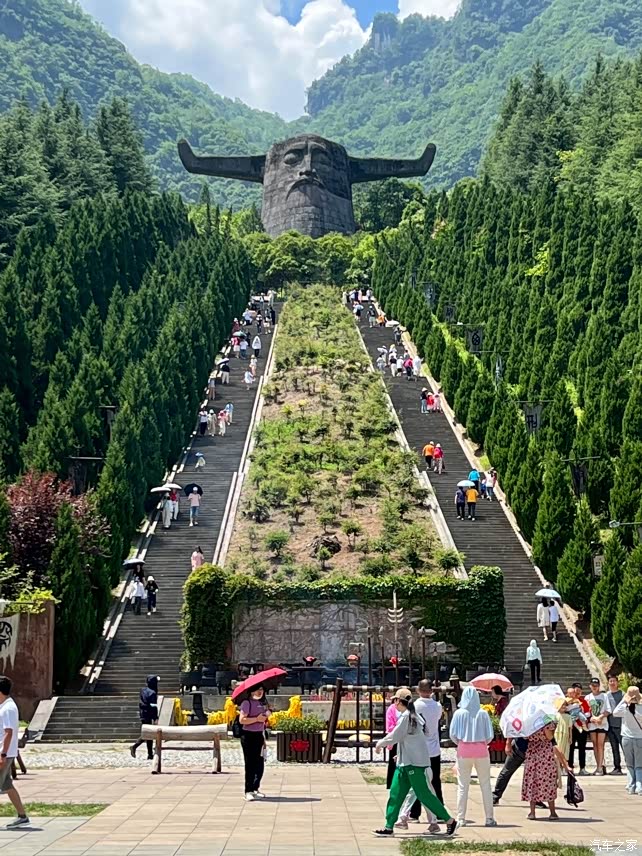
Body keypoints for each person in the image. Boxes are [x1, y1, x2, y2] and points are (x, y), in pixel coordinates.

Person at [373, 688, 457, 837]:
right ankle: (388, 826)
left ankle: (449, 820)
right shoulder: (411, 716)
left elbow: (395, 736)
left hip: (415, 765)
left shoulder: (408, 717)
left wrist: (380, 744)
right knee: (395, 794)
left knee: (424, 795)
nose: (394, 704)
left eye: (395, 701)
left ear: (399, 701)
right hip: (405, 763)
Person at [396, 680, 444, 832]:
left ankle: (412, 813)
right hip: (434, 748)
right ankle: (437, 811)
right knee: (433, 781)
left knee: (417, 784)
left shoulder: (415, 706)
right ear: (432, 690)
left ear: (418, 689)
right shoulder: (437, 706)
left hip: (419, 750)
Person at [449, 686, 496, 827]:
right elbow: (490, 736)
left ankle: (461, 818)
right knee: (486, 785)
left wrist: (461, 743)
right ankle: (489, 818)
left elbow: (453, 734)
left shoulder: (459, 713)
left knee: (463, 786)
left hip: (464, 751)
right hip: (481, 751)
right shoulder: (483, 713)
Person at [522, 718, 571, 819]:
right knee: (548, 782)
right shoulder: (546, 721)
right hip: (545, 754)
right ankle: (552, 813)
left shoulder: (527, 721)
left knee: (532, 781)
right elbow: (549, 737)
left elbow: (525, 737)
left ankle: (532, 813)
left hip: (532, 753)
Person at [0, 676, 29, 828]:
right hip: (5, 753)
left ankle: (23, 816)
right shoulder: (4, 706)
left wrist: (3, 754)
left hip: (4, 754)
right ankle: (22, 816)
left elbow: (9, 732)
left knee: (4, 785)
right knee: (7, 786)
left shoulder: (8, 708)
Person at [239, 686, 269, 801]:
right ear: (252, 691)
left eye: (262, 690)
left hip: (259, 735)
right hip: (248, 735)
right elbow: (242, 720)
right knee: (250, 764)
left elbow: (263, 719)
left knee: (259, 763)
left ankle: (256, 788)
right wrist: (257, 719)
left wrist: (267, 714)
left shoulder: (262, 703)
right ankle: (248, 790)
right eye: (258, 690)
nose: (260, 692)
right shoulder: (247, 703)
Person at [611, 686, 642, 794]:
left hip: (627, 737)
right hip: (639, 738)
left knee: (629, 764)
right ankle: (639, 786)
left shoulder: (624, 708)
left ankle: (630, 785)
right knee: (639, 765)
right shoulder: (641, 708)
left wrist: (624, 700)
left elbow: (614, 712)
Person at [130, 675, 159, 761]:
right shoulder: (153, 693)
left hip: (142, 713)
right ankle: (135, 746)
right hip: (149, 714)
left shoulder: (142, 690)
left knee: (148, 733)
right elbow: (154, 706)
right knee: (148, 733)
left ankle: (150, 754)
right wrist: (155, 717)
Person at [586, 677, 611, 775]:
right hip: (592, 723)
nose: (594, 687)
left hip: (602, 723)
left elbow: (608, 709)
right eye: (593, 686)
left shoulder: (604, 696)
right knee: (595, 744)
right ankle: (597, 765)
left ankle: (600, 767)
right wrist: (591, 717)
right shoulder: (587, 697)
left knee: (600, 745)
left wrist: (600, 717)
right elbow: (586, 710)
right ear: (590, 686)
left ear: (599, 686)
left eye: (596, 686)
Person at [568, 684, 591, 774]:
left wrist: (581, 714)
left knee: (582, 748)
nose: (577, 693)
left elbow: (588, 713)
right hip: (571, 728)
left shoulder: (583, 701)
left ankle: (582, 767)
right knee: (571, 747)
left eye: (579, 692)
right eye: (575, 692)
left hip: (582, 727)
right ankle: (570, 767)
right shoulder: (568, 701)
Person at [606, 675, 624, 775]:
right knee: (614, 748)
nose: (612, 683)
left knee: (624, 747)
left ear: (617, 683)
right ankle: (617, 767)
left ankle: (631, 766)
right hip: (610, 725)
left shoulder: (622, 694)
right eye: (610, 681)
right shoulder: (606, 695)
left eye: (614, 681)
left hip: (621, 725)